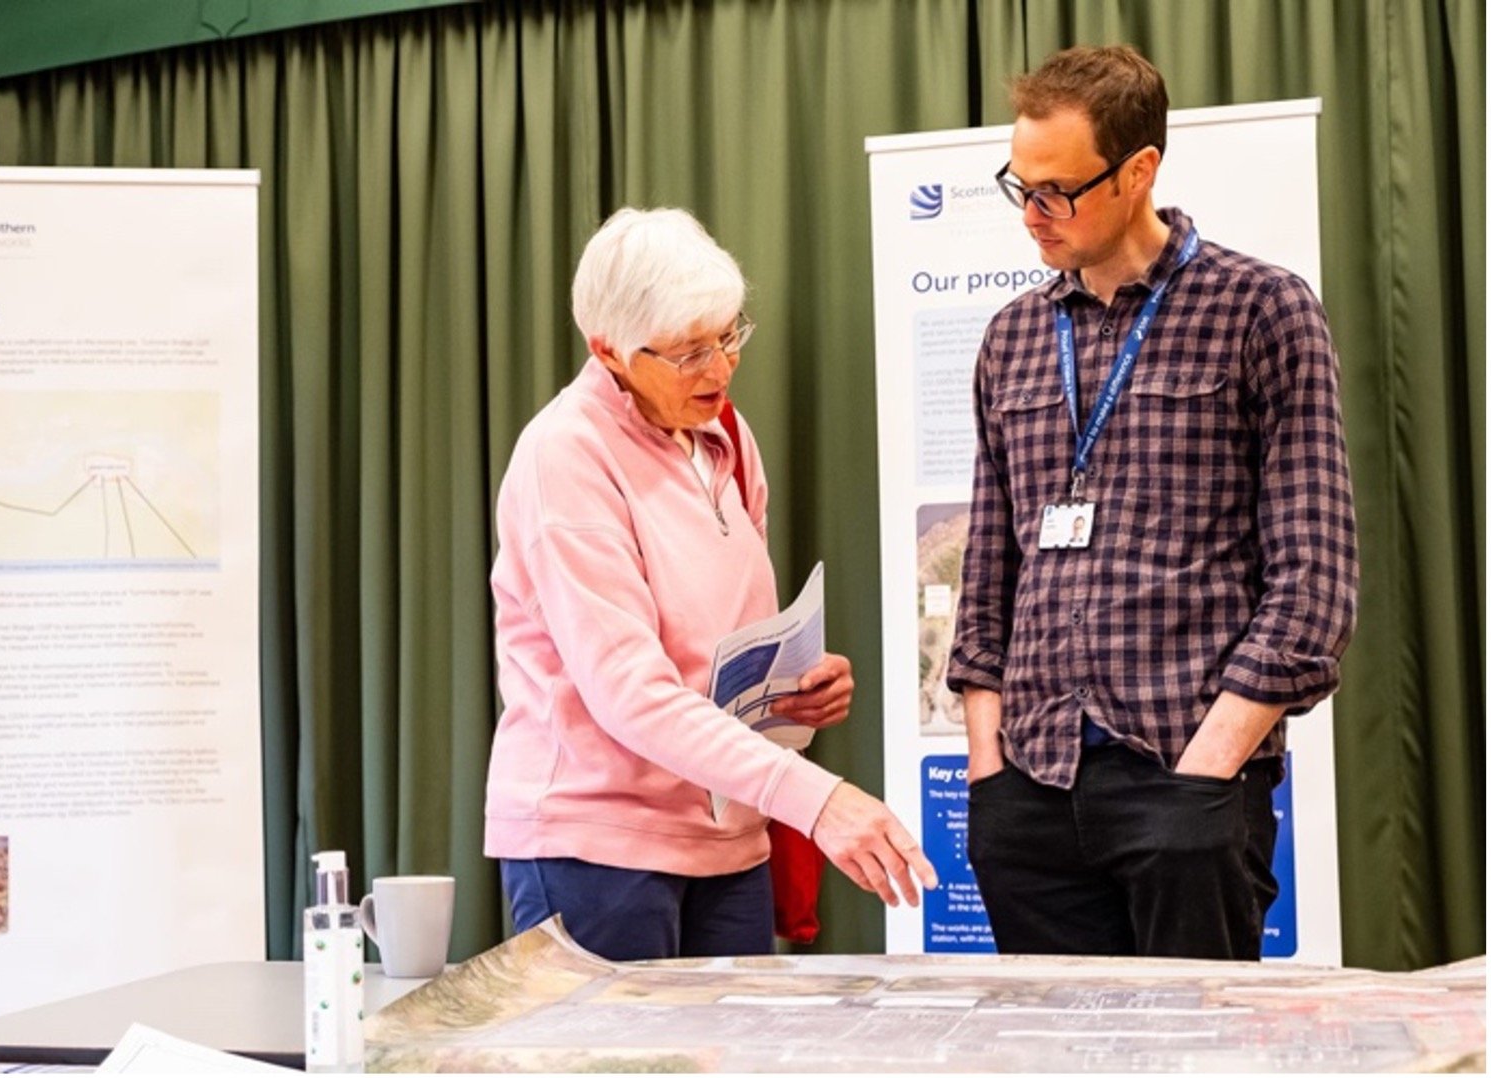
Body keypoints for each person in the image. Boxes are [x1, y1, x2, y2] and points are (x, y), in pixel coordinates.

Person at [948, 45, 1357, 960]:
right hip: (1032, 792)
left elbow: (1314, 584)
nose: (1034, 214)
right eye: (1021, 185)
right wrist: (990, 780)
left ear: (1138, 172)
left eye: (1059, 190)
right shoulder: (1012, 337)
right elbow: (986, 580)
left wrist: (1206, 774)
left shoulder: (1262, 309)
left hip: (1187, 786)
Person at [486, 207, 936, 961]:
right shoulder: (564, 458)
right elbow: (631, 692)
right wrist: (817, 800)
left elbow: (726, 642)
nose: (721, 369)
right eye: (690, 352)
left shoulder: (725, 433)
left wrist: (798, 690)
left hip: (729, 841)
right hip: (599, 847)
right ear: (611, 352)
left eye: (728, 335)